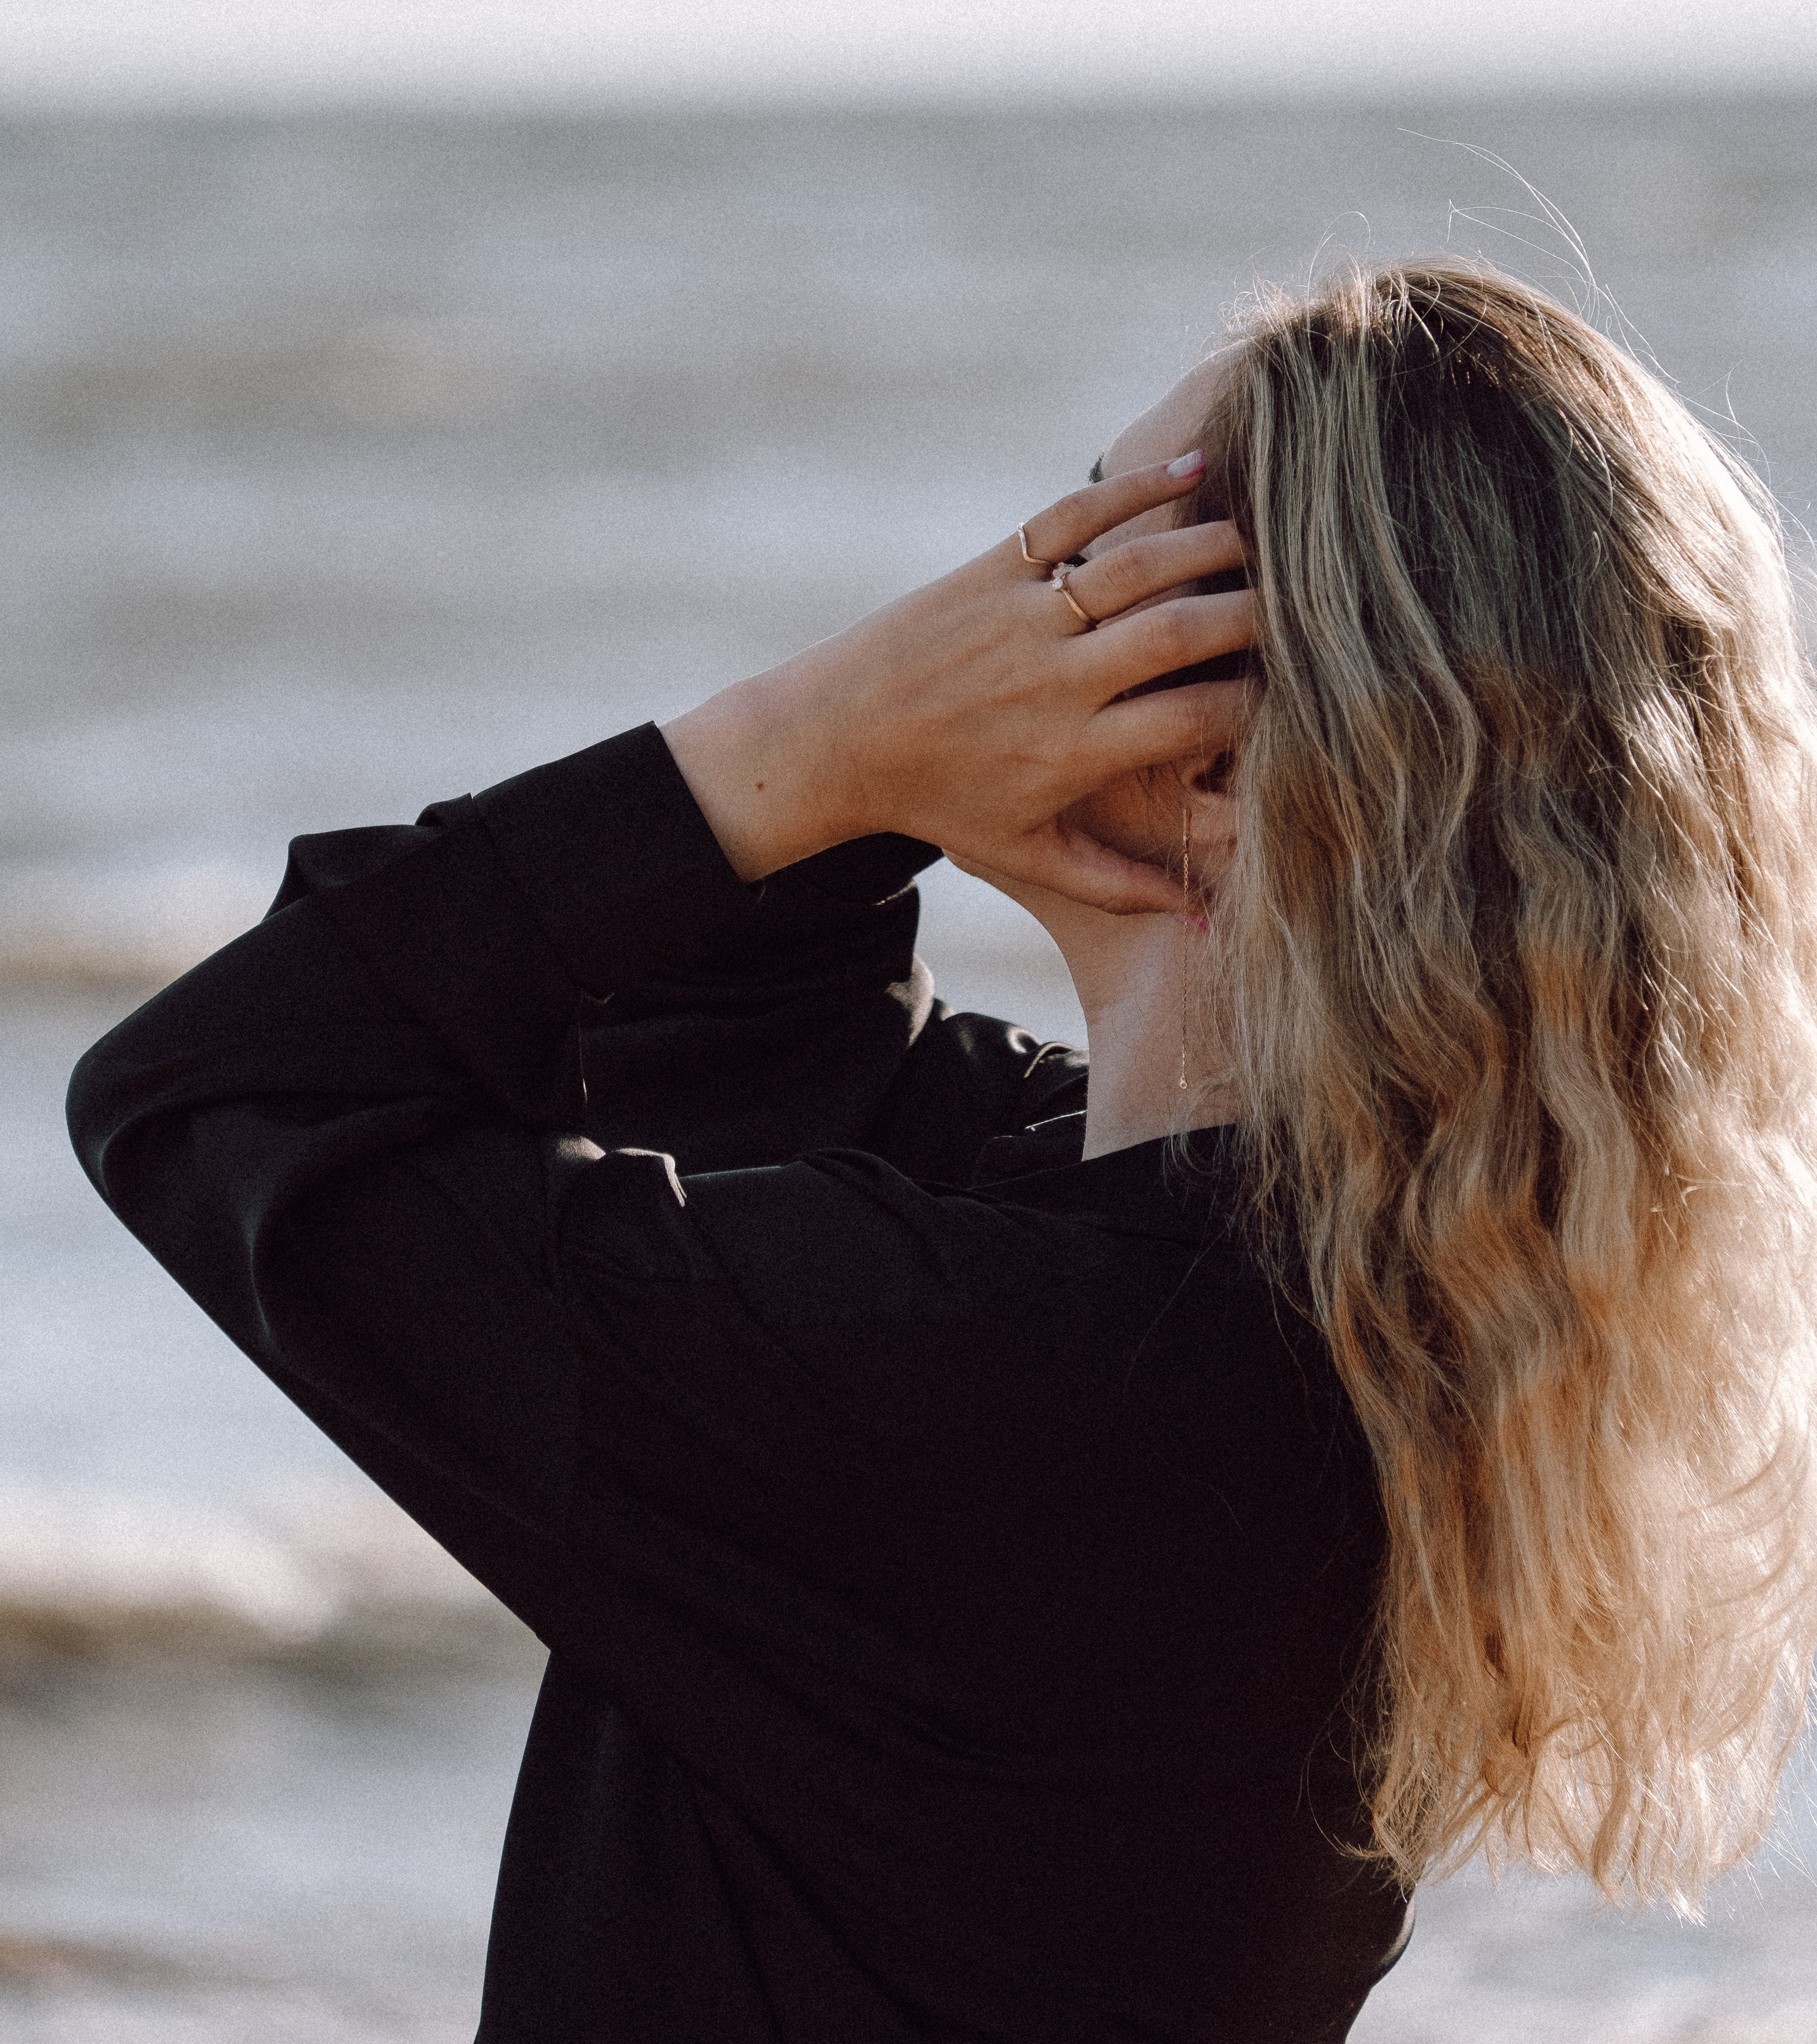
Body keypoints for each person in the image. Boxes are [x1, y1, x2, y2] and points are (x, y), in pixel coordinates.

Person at [67, 258, 1817, 2043]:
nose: (996, 606)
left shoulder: (1003, 1376)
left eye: (1074, 563)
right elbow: (733, 1052)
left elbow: (211, 1093)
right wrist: (875, 784)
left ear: (1216, 746)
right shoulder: (1326, 1307)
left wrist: (818, 738)